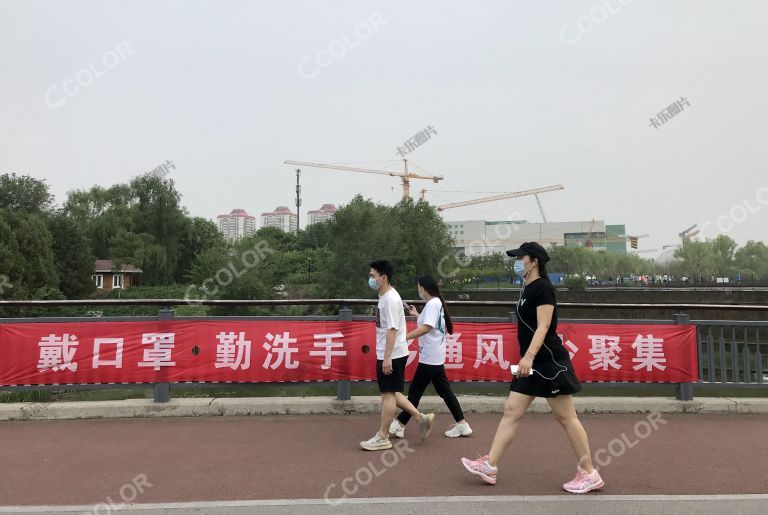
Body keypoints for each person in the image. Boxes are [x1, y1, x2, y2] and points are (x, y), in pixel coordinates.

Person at [460, 242, 604, 494]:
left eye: (520, 257)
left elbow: (543, 327)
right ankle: (490, 465)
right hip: (532, 362)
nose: (517, 261)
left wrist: (528, 357)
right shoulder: (527, 288)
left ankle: (589, 473)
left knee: (566, 417)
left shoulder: (543, 289)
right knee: (511, 410)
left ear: (533, 260)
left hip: (548, 362)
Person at [360, 260, 435, 451]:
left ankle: (383, 436)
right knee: (392, 392)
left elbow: (392, 330)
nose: (370, 279)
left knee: (387, 395)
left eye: (372, 276)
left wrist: (387, 357)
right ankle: (421, 418)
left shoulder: (390, 300)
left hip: (392, 353)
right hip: (393, 352)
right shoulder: (385, 296)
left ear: (383, 278)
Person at [389, 275, 472, 439]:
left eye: (419, 286)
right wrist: (417, 314)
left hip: (430, 357)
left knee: (415, 392)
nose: (418, 289)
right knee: (444, 391)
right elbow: (429, 323)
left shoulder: (433, 304)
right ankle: (462, 424)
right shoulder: (435, 303)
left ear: (424, 287)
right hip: (435, 355)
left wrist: (405, 336)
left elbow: (428, 327)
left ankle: (400, 424)